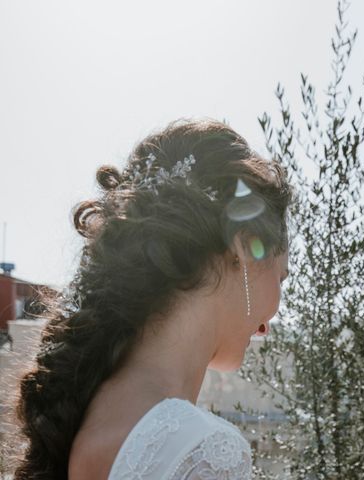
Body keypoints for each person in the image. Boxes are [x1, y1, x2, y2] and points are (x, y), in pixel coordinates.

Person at [15, 119, 292, 479]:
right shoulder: (201, 451)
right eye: (282, 276)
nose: (268, 324)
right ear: (241, 245)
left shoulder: (85, 419)